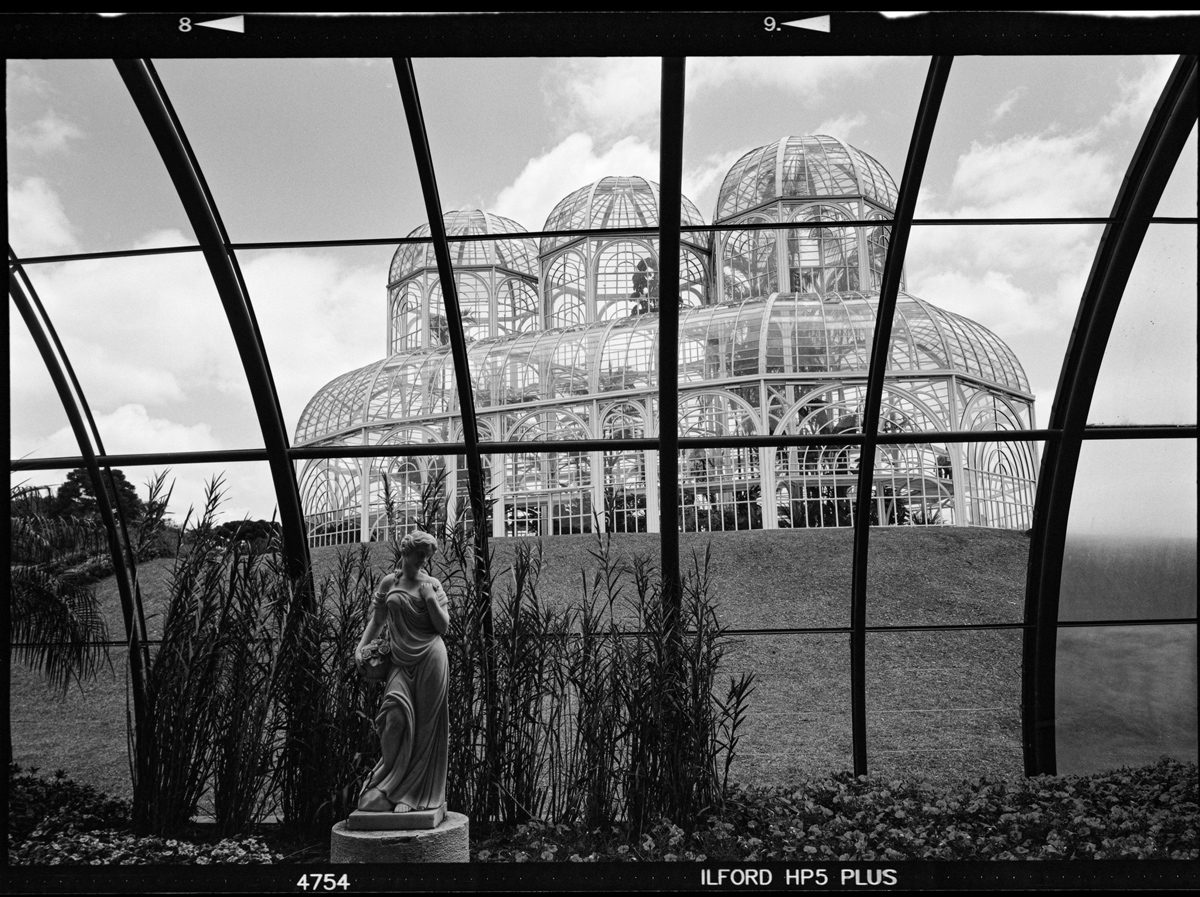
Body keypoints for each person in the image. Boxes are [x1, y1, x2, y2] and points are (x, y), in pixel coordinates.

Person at [355, 530, 450, 813]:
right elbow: (378, 620)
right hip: (399, 660)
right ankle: (387, 782)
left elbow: (444, 627)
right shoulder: (390, 582)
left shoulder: (432, 584)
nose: (423, 560)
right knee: (393, 718)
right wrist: (360, 648)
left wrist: (430, 599)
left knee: (425, 728)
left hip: (431, 658)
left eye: (427, 556)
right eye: (419, 554)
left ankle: (411, 795)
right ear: (406, 551)